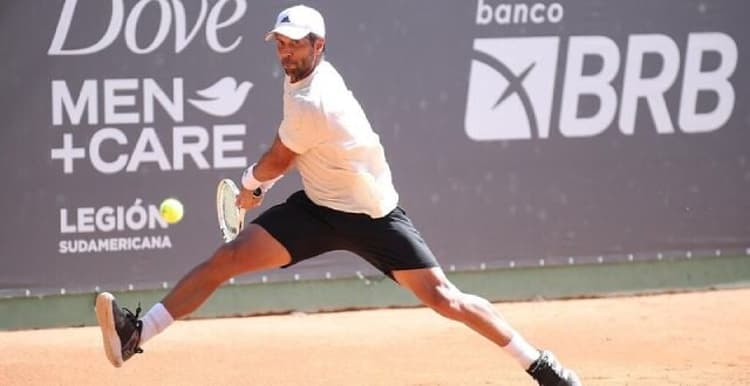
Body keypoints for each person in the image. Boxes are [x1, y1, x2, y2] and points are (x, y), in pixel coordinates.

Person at [95, 5, 581, 385]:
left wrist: (249, 187)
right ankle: (135, 334)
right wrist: (258, 186)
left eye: (294, 45)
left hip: (372, 214)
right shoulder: (303, 79)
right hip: (318, 207)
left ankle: (539, 364)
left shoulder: (315, 102)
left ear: (318, 45)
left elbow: (279, 159)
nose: (285, 52)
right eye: (279, 43)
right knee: (225, 260)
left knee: (446, 299)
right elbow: (289, 155)